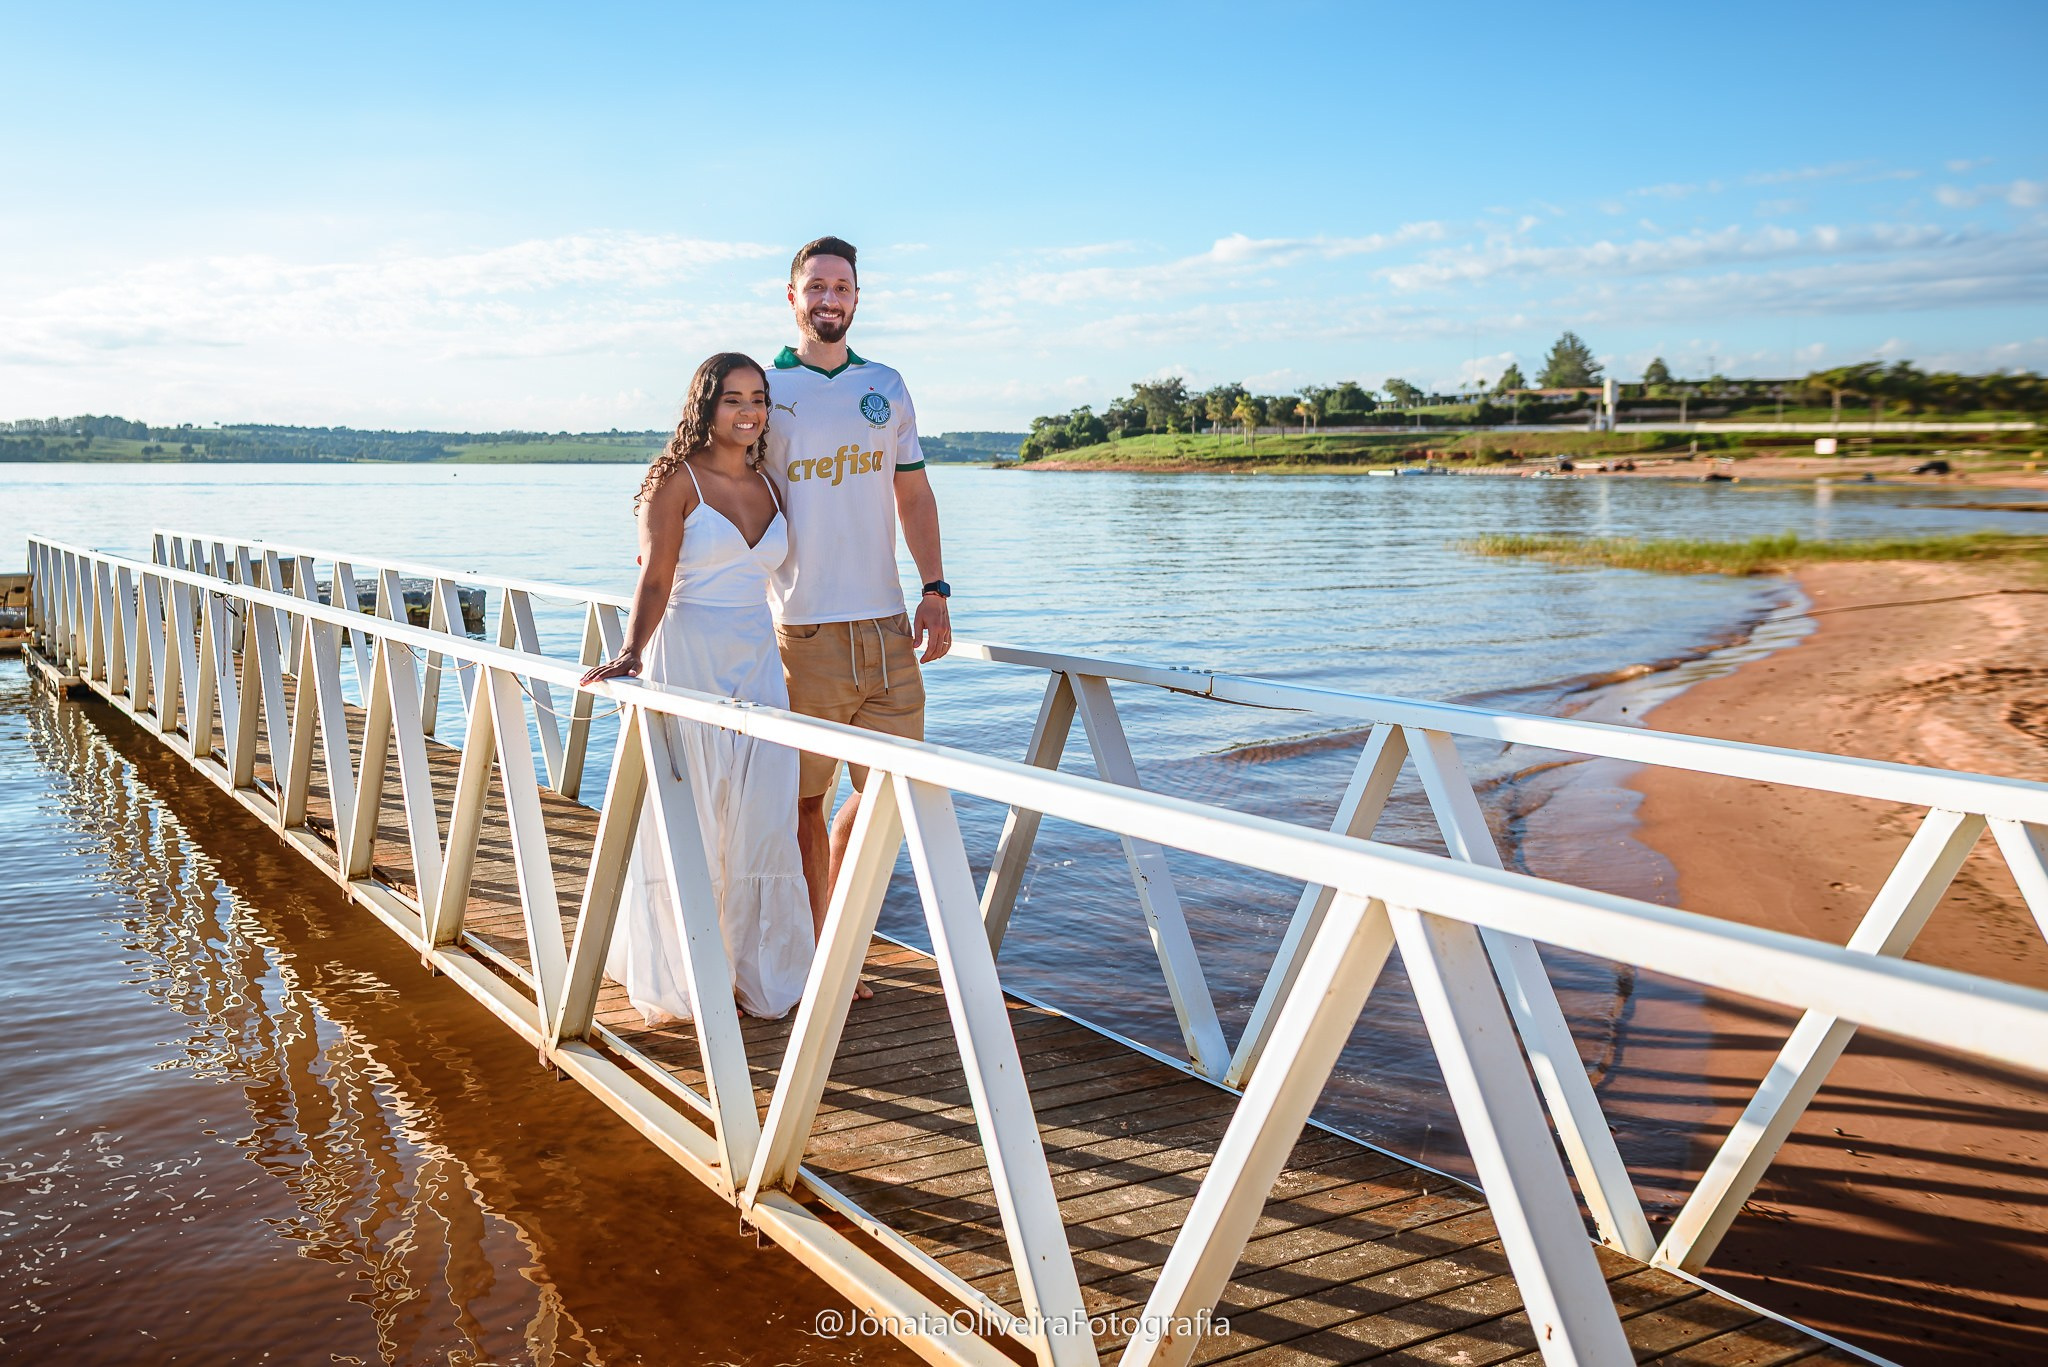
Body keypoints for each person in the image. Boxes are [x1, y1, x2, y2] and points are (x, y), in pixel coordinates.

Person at [580, 352, 813, 1024]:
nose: (749, 411)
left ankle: (757, 972)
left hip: (756, 660)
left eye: (759, 398)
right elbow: (655, 578)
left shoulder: (772, 485)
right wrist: (631, 651)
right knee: (692, 814)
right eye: (733, 398)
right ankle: (688, 976)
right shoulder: (674, 481)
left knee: (763, 813)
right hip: (687, 654)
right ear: (706, 405)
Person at [766, 237, 950, 998]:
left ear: (856, 298)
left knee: (890, 793)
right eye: (816, 286)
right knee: (804, 800)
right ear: (793, 297)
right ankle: (819, 955)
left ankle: (838, 929)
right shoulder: (764, 390)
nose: (829, 299)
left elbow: (913, 493)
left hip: (887, 625)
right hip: (803, 627)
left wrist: (935, 588)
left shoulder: (886, 385)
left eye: (841, 287)